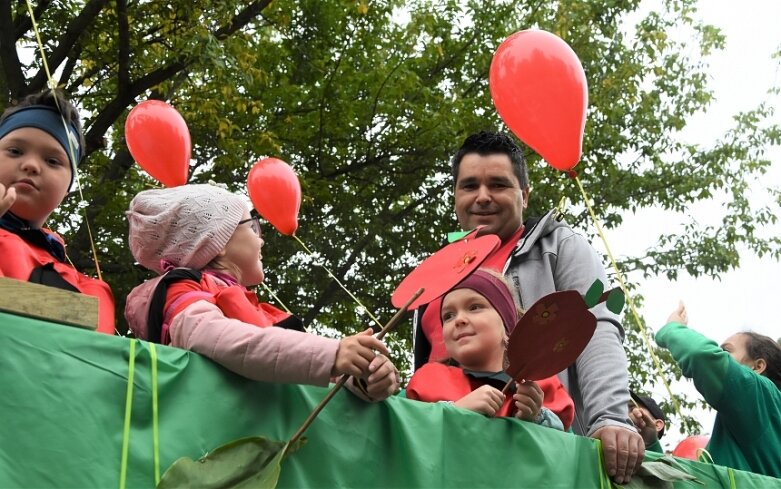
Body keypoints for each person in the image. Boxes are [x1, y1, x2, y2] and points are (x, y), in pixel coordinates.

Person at [413, 131, 643, 483]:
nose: (483, 197)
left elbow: (596, 327)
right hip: (447, 467)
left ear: (524, 194)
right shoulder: (434, 278)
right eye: (469, 185)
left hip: (541, 465)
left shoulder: (557, 247)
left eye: (498, 185)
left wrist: (609, 419)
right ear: (455, 196)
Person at [124, 183, 399, 401]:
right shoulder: (183, 291)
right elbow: (220, 338)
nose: (261, 237)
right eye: (251, 225)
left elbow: (299, 367)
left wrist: (363, 377)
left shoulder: (257, 308)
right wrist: (332, 354)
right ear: (217, 241)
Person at [0, 90, 115, 333]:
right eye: (15, 151)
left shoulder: (87, 288)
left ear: (67, 188)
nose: (30, 165)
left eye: (53, 161)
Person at [406, 268, 574, 431]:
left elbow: (567, 449)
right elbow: (404, 430)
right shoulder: (428, 382)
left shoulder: (540, 384)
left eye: (474, 307)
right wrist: (454, 412)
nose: (459, 320)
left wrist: (535, 418)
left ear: (507, 326)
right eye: (448, 316)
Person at [656, 302, 781, 477]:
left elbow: (699, 353)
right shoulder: (760, 420)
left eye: (725, 351)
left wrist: (672, 327)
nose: (719, 356)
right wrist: (651, 441)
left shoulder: (759, 395)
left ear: (757, 366)